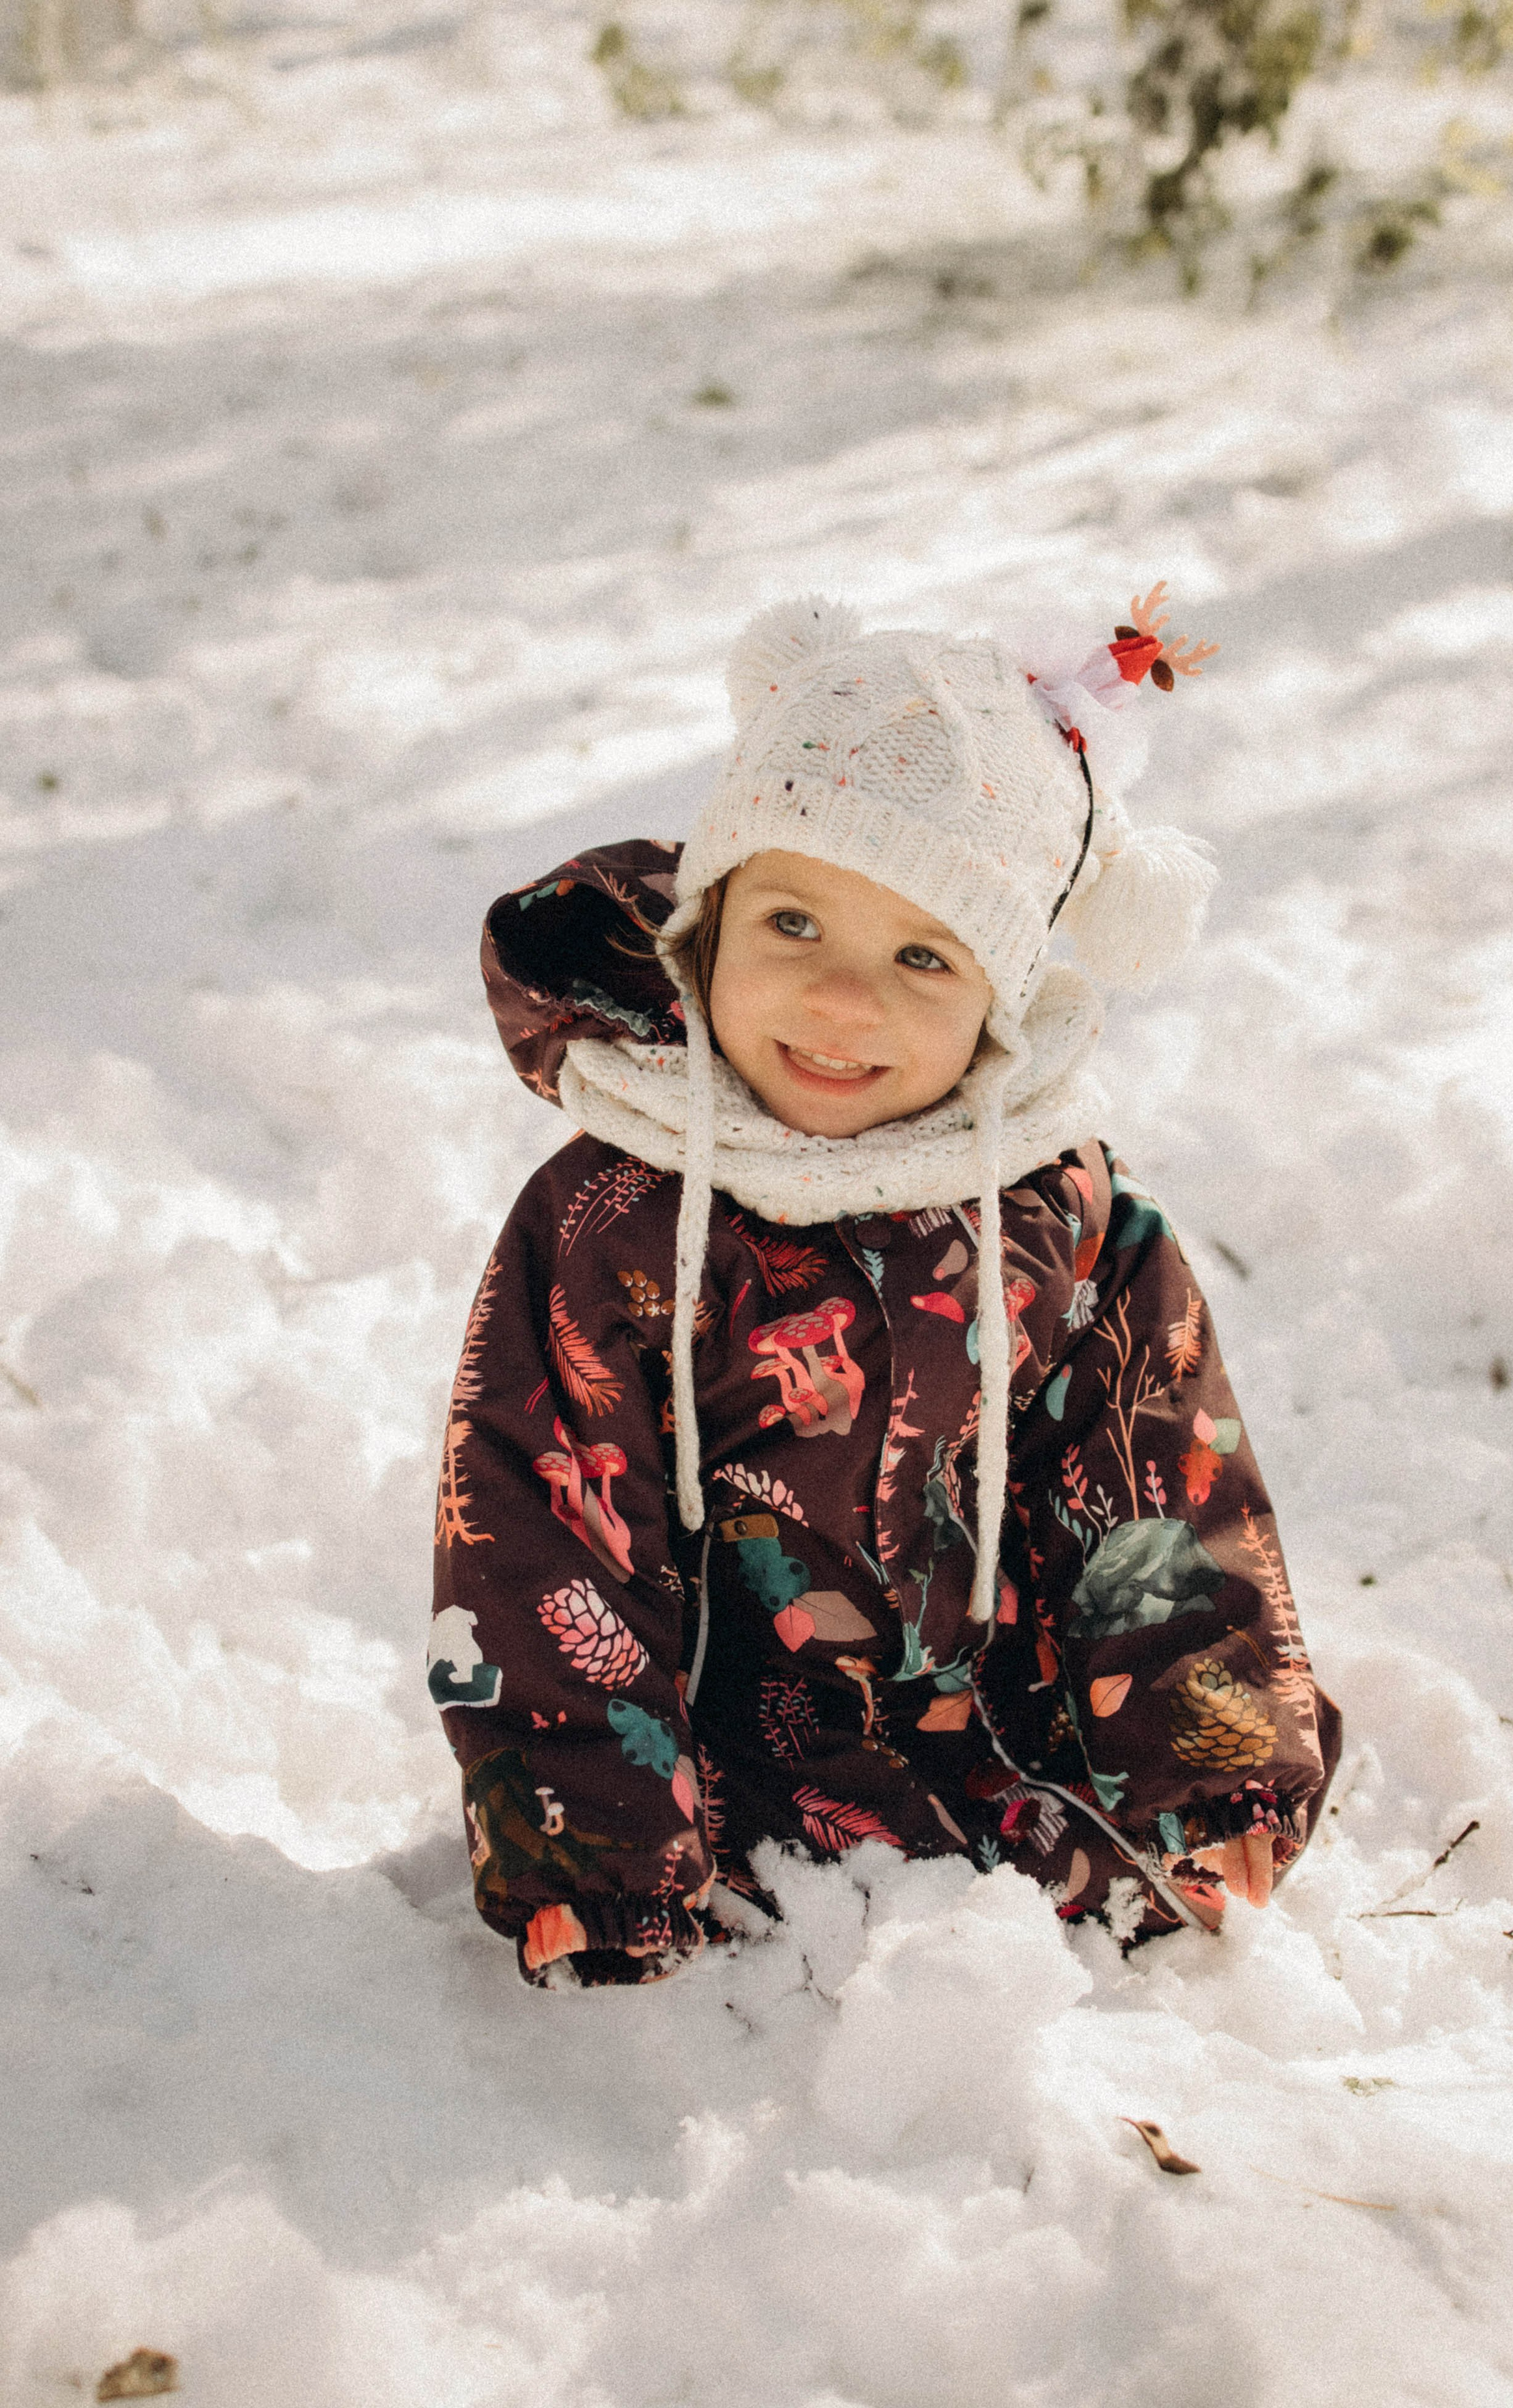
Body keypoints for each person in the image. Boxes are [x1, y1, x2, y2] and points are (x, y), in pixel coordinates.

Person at [428, 591, 1341, 1987]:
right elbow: (540, 1530)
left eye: (922, 955)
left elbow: (1155, 1486)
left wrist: (1211, 1775)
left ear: (999, 996)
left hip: (1008, 1774)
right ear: (705, 929)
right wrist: (592, 1851)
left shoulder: (1061, 1216)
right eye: (792, 922)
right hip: (712, 1798)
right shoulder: (612, 1218)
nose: (843, 1002)